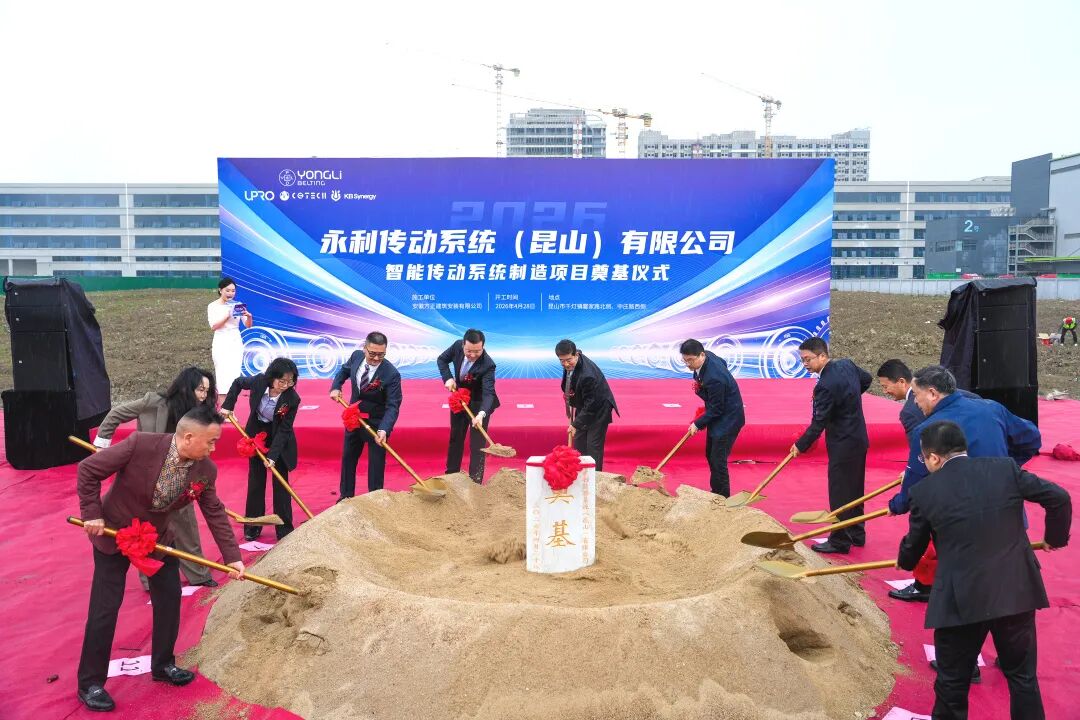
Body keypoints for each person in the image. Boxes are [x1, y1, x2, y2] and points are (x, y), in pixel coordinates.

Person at [897, 420, 1071, 720]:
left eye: (923, 459)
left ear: (934, 457)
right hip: (1015, 587)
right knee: (1022, 677)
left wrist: (905, 560)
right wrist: (1054, 538)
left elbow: (915, 543)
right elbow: (1059, 497)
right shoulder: (1003, 469)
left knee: (953, 681)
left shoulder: (924, 492)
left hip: (961, 597)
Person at [75, 406, 244, 713]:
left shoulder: (205, 470)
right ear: (188, 437)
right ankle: (90, 683)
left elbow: (214, 511)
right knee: (104, 608)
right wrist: (92, 513)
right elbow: (88, 470)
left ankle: (163, 664)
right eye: (210, 441)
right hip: (114, 532)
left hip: (157, 538)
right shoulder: (140, 444)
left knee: (169, 599)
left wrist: (233, 558)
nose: (213, 448)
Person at [93, 367, 220, 590]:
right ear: (186, 387)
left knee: (187, 526)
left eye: (207, 391)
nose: (203, 395)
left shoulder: (199, 414)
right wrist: (101, 445)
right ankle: (149, 580)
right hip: (147, 477)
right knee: (147, 531)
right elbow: (116, 414)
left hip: (181, 475)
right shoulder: (153, 402)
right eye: (200, 389)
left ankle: (198, 575)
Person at [875, 360, 975, 604]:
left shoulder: (911, 412)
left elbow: (922, 455)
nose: (885, 392)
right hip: (969, 471)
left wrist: (900, 502)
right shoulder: (968, 399)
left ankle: (924, 584)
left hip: (943, 478)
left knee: (928, 531)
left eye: (886, 386)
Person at [791, 338, 872, 554]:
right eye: (801, 360)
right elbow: (866, 379)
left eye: (808, 359)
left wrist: (800, 445)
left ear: (822, 356)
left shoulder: (825, 386)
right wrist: (848, 400)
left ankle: (839, 540)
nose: (805, 364)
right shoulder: (847, 364)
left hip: (842, 444)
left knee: (840, 493)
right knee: (855, 489)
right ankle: (857, 533)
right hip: (859, 438)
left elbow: (819, 423)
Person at [221, 357, 301, 541]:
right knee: (256, 482)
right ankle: (253, 525)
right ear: (272, 377)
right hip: (257, 436)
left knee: (280, 485)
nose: (286, 386)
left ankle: (284, 529)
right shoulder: (259, 381)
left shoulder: (292, 399)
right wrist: (228, 406)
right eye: (282, 381)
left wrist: (273, 456)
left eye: (290, 382)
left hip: (279, 440)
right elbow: (238, 382)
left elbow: (284, 430)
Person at [330, 331, 402, 497]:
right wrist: (336, 386)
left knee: (376, 466)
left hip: (376, 424)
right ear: (364, 348)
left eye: (381, 355)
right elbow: (343, 371)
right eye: (372, 354)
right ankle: (346, 497)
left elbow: (393, 405)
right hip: (354, 419)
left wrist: (384, 429)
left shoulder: (391, 374)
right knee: (348, 459)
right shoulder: (356, 357)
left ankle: (375, 501)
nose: (376, 358)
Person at [680, 339, 745, 496]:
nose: (688, 364)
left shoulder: (714, 378)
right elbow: (722, 362)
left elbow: (717, 408)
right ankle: (716, 491)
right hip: (719, 415)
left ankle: (722, 496)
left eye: (691, 360)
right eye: (685, 360)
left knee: (717, 458)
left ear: (701, 355)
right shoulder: (709, 356)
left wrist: (697, 424)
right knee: (710, 454)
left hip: (728, 419)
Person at [438, 329, 500, 483]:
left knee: (477, 445)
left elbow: (488, 394)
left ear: (483, 347)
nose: (472, 355)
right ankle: (451, 477)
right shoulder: (456, 346)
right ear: (463, 345)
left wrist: (481, 414)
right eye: (469, 351)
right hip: (459, 399)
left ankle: (475, 482)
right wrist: (448, 378)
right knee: (456, 438)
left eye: (477, 351)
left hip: (479, 404)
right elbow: (442, 360)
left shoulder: (488, 365)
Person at [556, 339, 619, 471]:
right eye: (562, 361)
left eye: (568, 360)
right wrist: (569, 394)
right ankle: (581, 474)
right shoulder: (573, 360)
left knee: (592, 446)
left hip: (599, 408)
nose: (566, 364)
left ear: (576, 355)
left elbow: (591, 406)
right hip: (585, 404)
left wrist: (575, 424)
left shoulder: (588, 376)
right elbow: (570, 380)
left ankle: (595, 477)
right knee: (579, 442)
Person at [207, 276, 253, 395]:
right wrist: (228, 315)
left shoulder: (238, 305)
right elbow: (214, 326)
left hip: (235, 341)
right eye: (227, 290)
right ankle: (223, 405)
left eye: (233, 291)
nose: (230, 293)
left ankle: (232, 405)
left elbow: (248, 325)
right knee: (222, 374)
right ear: (220, 290)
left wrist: (249, 316)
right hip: (221, 341)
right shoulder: (212, 306)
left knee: (234, 374)